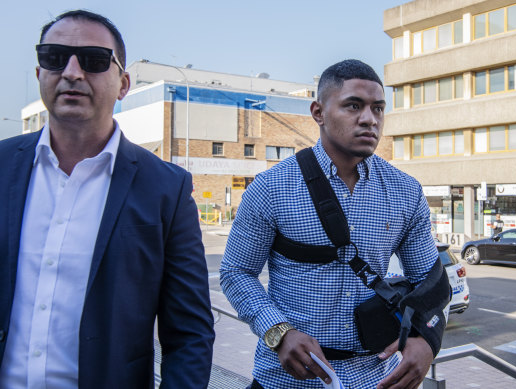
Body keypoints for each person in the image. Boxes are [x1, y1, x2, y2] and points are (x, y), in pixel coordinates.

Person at [0, 10, 214, 388]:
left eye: (94, 60)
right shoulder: (2, 167)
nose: (71, 72)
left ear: (123, 83)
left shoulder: (167, 188)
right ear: (38, 74)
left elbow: (190, 334)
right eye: (54, 57)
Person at [220, 59, 445, 389]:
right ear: (318, 112)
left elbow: (430, 279)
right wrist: (278, 331)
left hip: (376, 377)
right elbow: (236, 272)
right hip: (286, 380)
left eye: (378, 109)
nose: (369, 119)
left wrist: (428, 340)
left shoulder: (404, 191)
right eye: (353, 105)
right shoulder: (271, 188)